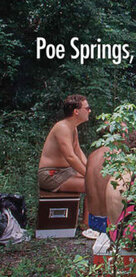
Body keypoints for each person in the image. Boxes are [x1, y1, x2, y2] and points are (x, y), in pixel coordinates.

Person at [38, 94, 91, 223]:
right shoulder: (62, 127)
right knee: (92, 185)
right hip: (51, 175)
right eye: (87, 108)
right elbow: (71, 157)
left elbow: (78, 152)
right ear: (76, 111)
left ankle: (90, 221)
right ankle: (87, 226)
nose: (90, 111)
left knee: (96, 180)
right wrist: (89, 176)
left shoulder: (72, 127)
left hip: (64, 172)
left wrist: (91, 170)